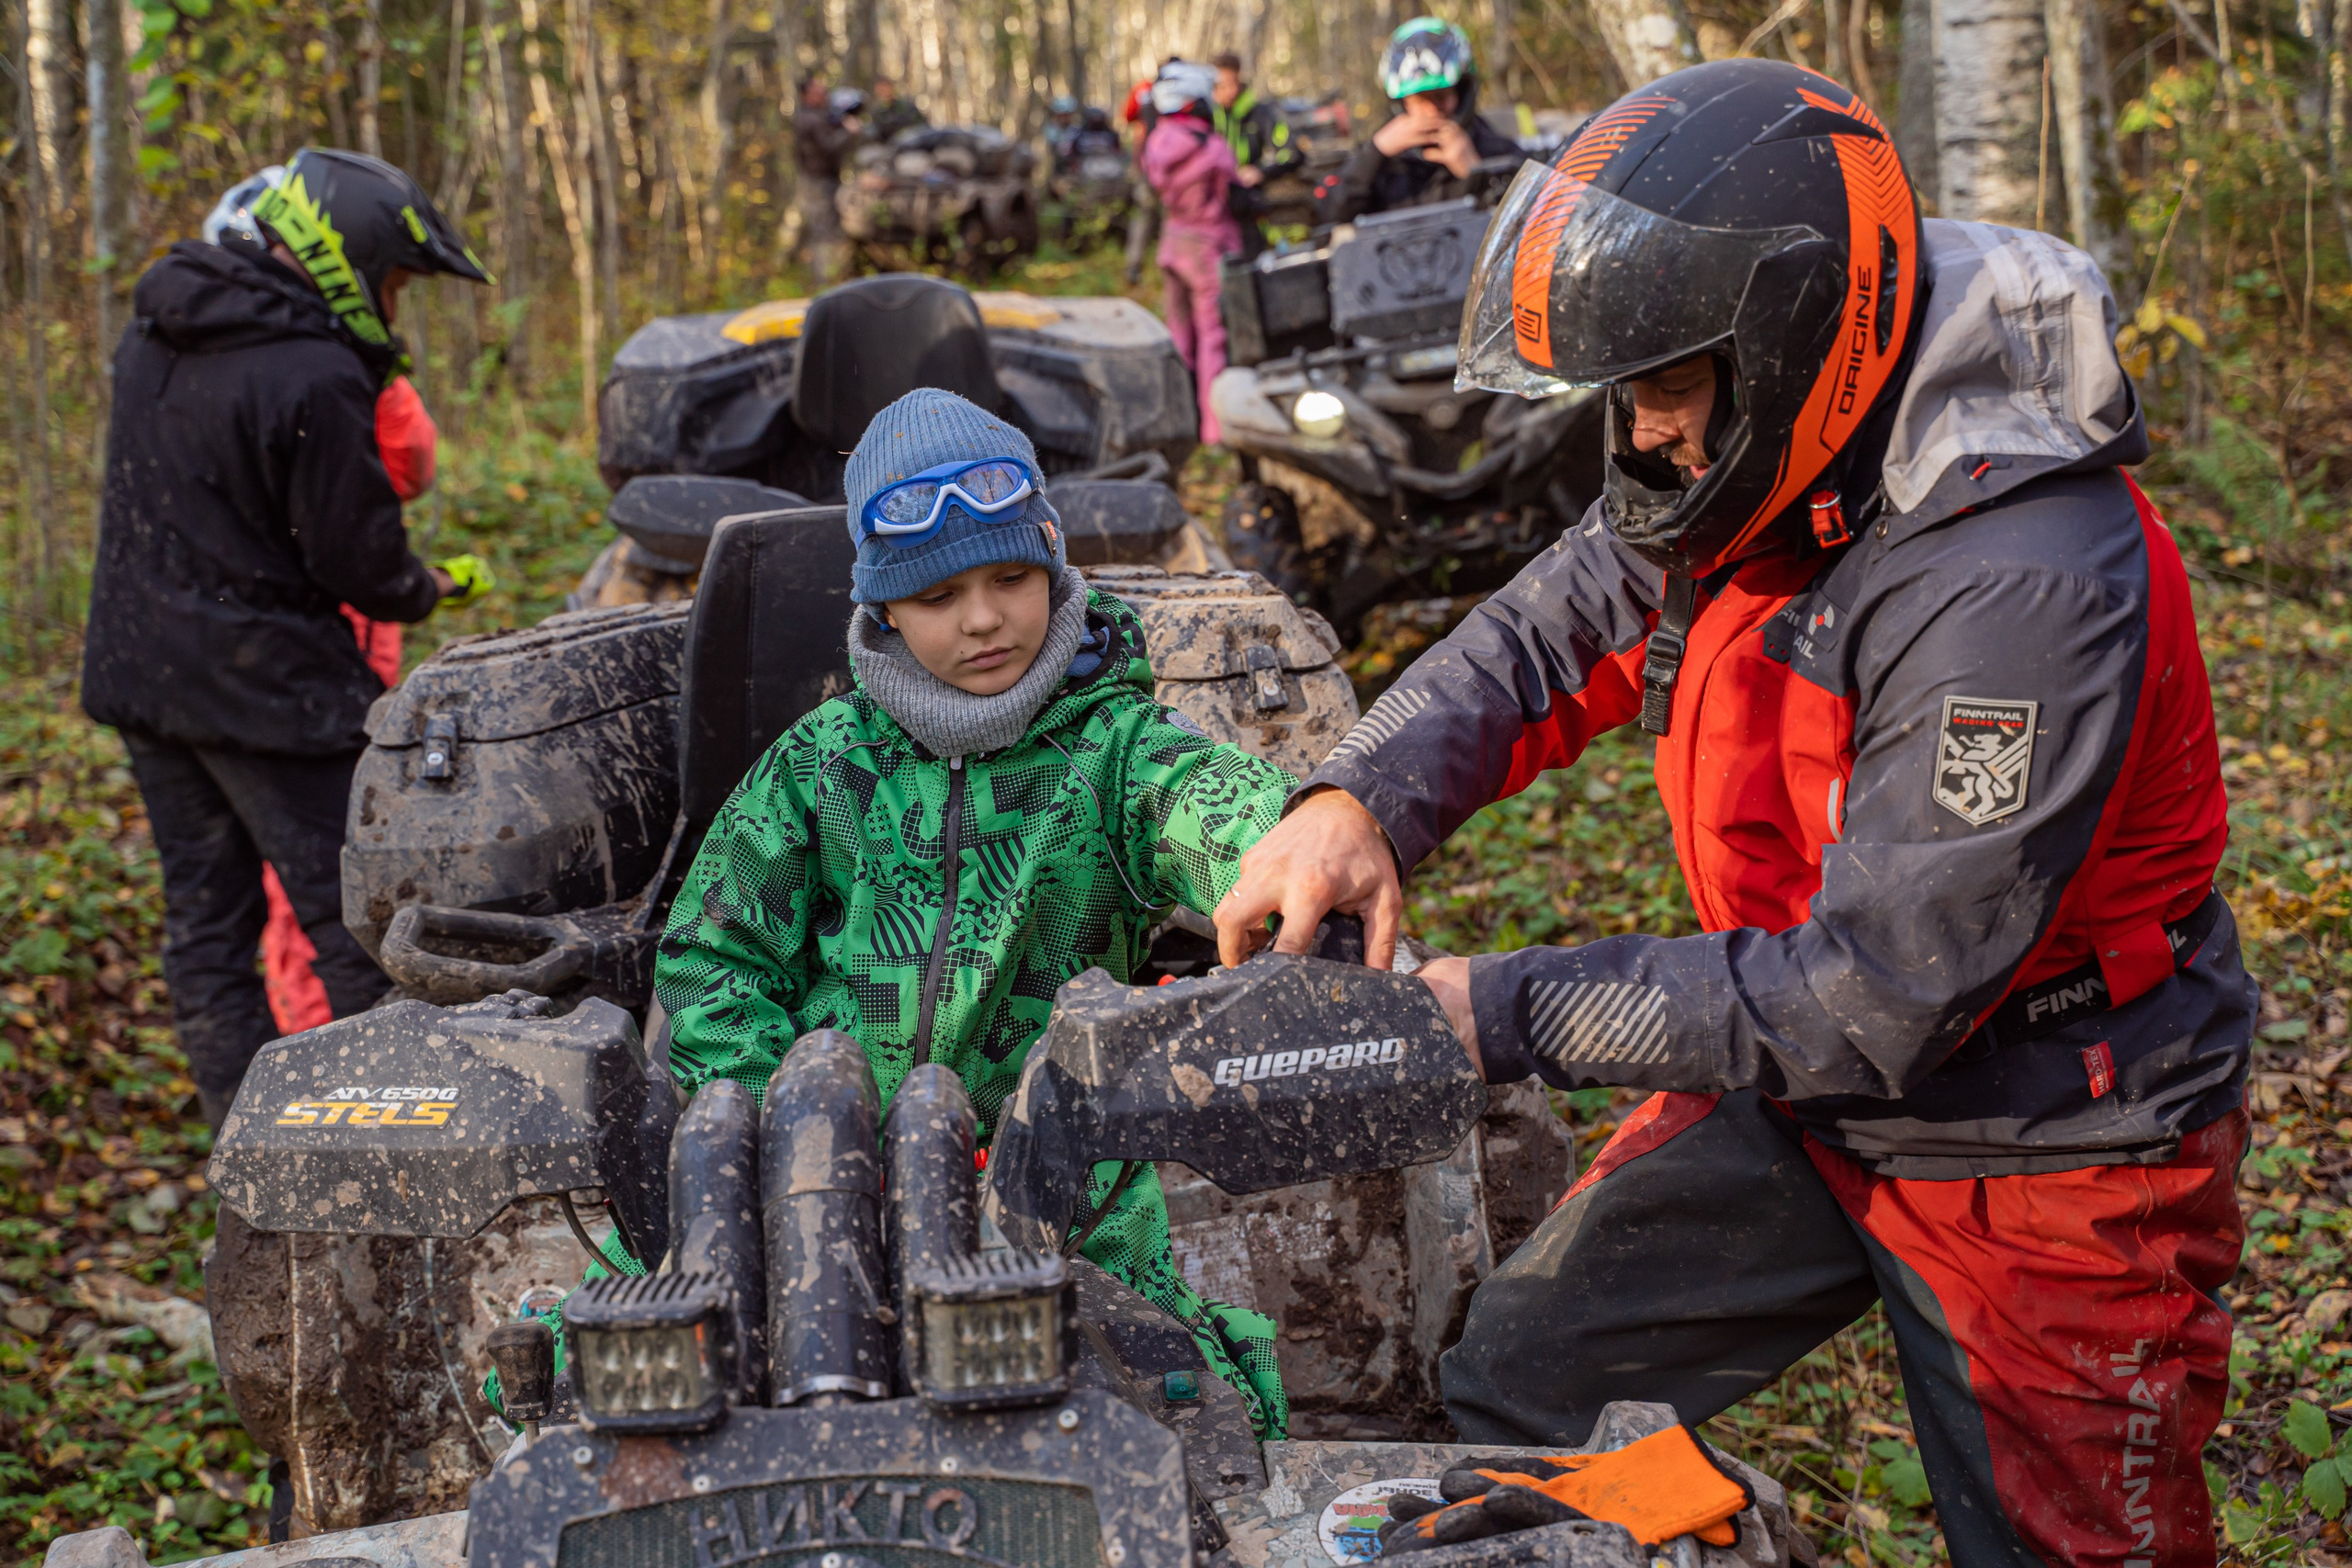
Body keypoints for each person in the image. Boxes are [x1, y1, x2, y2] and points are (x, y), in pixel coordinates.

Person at [1215, 60, 2251, 1568]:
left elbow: (1873, 993)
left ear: (1793, 343)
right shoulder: (1750, 447)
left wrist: (1490, 1010)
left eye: (1665, 388)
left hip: (2048, 1131)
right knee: (1523, 1376)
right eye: (1621, 395)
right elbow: (1555, 622)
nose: (1640, 435)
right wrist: (1357, 791)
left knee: (2068, 1549)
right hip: (1793, 1072)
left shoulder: (2021, 582)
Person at [653, 388, 1295, 1437]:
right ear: (884, 609)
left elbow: (1222, 814)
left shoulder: (1117, 751)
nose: (986, 618)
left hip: (1068, 1198)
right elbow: (712, 956)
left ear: (1052, 564)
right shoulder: (823, 763)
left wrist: (1286, 852)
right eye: (941, 592)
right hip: (826, 1200)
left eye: (1011, 577)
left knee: (1163, 1435)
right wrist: (792, 1128)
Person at [81, 147, 494, 1130]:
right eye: (393, 284)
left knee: (207, 926)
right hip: (265, 690)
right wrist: (425, 585)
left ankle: (244, 1144)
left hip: (147, 678)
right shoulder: (314, 374)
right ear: (344, 255)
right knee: (352, 925)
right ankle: (374, 1152)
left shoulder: (158, 329)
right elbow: (359, 566)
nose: (393, 310)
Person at [1314, 17, 1521, 225]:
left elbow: (1534, 221)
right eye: (1420, 99)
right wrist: (1375, 152)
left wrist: (1477, 173)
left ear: (1461, 93)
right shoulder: (1380, 162)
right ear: (1402, 102)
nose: (1431, 110)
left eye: (1440, 96)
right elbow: (1329, 215)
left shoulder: (1497, 150)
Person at [1141, 61, 1242, 445]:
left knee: (1178, 336)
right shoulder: (1212, 146)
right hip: (1207, 248)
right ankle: (1214, 431)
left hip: (1172, 243)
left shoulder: (1156, 142)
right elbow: (1232, 189)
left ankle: (1175, 422)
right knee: (1212, 339)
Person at [1209, 51, 1297, 258]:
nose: (1230, 91)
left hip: (1251, 203)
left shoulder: (1260, 113)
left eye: (1233, 83)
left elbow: (1291, 153)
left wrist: (1260, 172)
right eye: (1222, 86)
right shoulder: (1206, 117)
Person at [793, 73, 859, 285]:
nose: (823, 92)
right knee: (826, 234)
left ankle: (830, 281)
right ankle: (828, 284)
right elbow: (828, 147)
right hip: (818, 184)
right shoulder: (809, 119)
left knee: (826, 231)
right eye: (818, 89)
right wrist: (849, 133)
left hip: (821, 181)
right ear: (807, 94)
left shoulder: (816, 116)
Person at [866, 74, 926, 142]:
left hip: (910, 143)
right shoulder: (876, 112)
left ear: (891, 88)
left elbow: (922, 125)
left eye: (885, 88)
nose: (883, 92)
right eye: (880, 90)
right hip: (887, 146)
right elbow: (873, 131)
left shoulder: (906, 106)